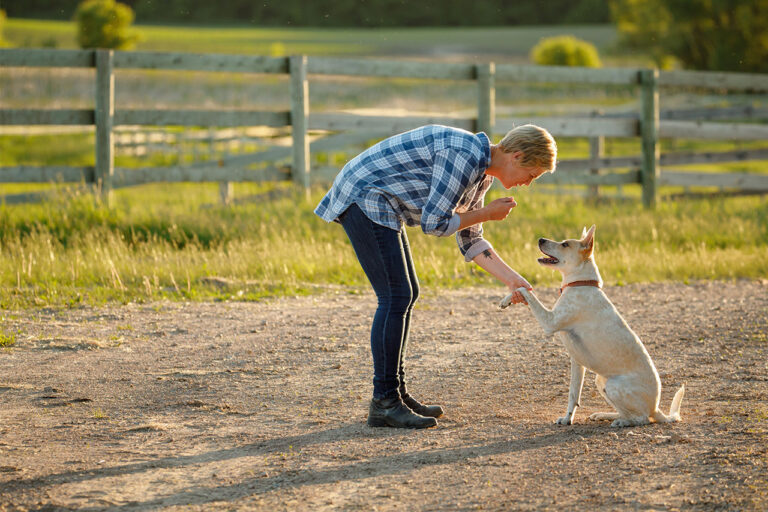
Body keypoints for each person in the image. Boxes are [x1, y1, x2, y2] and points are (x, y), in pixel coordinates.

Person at [315, 124, 557, 429]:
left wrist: (512, 278)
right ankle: (385, 401)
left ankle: (395, 395)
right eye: (532, 175)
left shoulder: (481, 174)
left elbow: (469, 239)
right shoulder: (465, 157)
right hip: (365, 195)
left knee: (406, 293)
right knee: (395, 296)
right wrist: (487, 213)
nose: (528, 183)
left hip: (380, 202)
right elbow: (435, 223)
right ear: (517, 156)